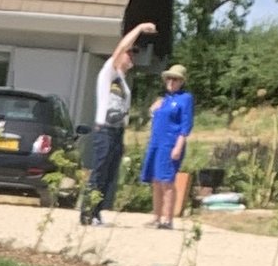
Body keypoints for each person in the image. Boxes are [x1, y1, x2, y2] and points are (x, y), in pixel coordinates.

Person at [82, 20, 153, 218]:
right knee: (99, 171)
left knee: (109, 174)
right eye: (129, 53)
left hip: (116, 131)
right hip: (104, 130)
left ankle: (97, 212)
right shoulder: (109, 72)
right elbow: (121, 46)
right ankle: (87, 213)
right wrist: (139, 28)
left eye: (133, 54)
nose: (132, 56)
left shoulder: (122, 80)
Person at [142, 64, 195, 225]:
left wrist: (178, 146)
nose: (171, 82)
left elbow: (186, 125)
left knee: (167, 180)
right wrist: (152, 110)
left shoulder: (185, 98)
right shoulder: (164, 100)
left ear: (182, 82)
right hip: (156, 142)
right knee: (156, 180)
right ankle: (156, 216)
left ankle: (168, 219)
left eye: (175, 79)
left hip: (170, 143)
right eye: (169, 78)